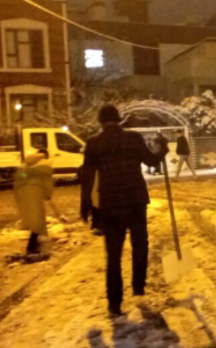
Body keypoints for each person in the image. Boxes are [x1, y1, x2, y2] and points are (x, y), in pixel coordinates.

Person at [80, 104, 164, 317]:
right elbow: (152, 161)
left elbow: (87, 177)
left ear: (100, 121)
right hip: (135, 200)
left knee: (114, 254)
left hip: (110, 204)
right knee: (139, 245)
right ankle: (138, 287)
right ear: (119, 120)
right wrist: (162, 148)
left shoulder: (94, 144)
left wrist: (86, 204)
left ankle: (114, 304)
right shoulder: (133, 139)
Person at [14, 150, 60, 261]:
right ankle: (31, 249)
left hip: (21, 193)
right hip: (34, 193)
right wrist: (58, 214)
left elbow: (21, 176)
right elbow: (49, 194)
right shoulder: (45, 167)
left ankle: (33, 246)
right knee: (38, 221)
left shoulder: (27, 165)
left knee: (33, 220)